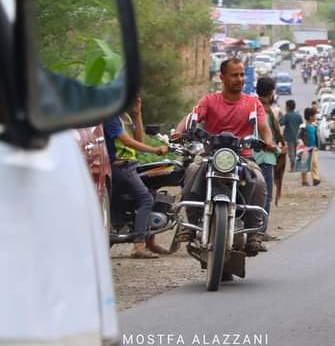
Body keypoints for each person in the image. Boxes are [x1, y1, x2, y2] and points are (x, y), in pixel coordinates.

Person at [174, 58, 275, 253]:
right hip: (210, 155)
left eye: (241, 75)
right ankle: (191, 224)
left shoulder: (253, 104)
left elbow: (263, 128)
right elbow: (192, 117)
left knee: (260, 180)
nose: (239, 79)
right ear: (222, 77)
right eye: (234, 75)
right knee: (192, 171)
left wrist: (268, 142)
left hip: (242, 156)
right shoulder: (209, 101)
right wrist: (179, 132)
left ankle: (255, 234)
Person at [104, 97, 171, 259]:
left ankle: (149, 241)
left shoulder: (124, 117)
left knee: (152, 192)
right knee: (146, 198)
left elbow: (138, 139)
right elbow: (127, 141)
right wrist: (155, 150)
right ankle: (138, 246)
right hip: (119, 166)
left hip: (131, 165)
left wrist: (137, 114)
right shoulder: (110, 117)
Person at [254, 76, 286, 233]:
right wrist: (280, 150)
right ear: (271, 92)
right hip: (265, 159)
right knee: (265, 195)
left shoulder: (251, 107)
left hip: (250, 157)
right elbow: (266, 140)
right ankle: (260, 230)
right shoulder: (267, 112)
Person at [279, 99, 303, 172]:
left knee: (291, 153)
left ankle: (293, 167)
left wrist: (281, 116)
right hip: (297, 137)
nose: (285, 108)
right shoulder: (298, 115)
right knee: (296, 152)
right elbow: (301, 125)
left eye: (286, 106)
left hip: (289, 137)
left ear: (288, 107)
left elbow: (281, 123)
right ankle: (297, 167)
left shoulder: (287, 115)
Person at [299, 107, 321, 187]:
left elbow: (316, 137)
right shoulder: (303, 126)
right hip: (305, 148)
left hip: (314, 148)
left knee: (314, 163)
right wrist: (300, 142)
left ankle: (316, 179)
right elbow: (299, 136)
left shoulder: (315, 126)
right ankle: (304, 181)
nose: (315, 117)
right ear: (310, 116)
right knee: (305, 165)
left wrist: (318, 146)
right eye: (314, 115)